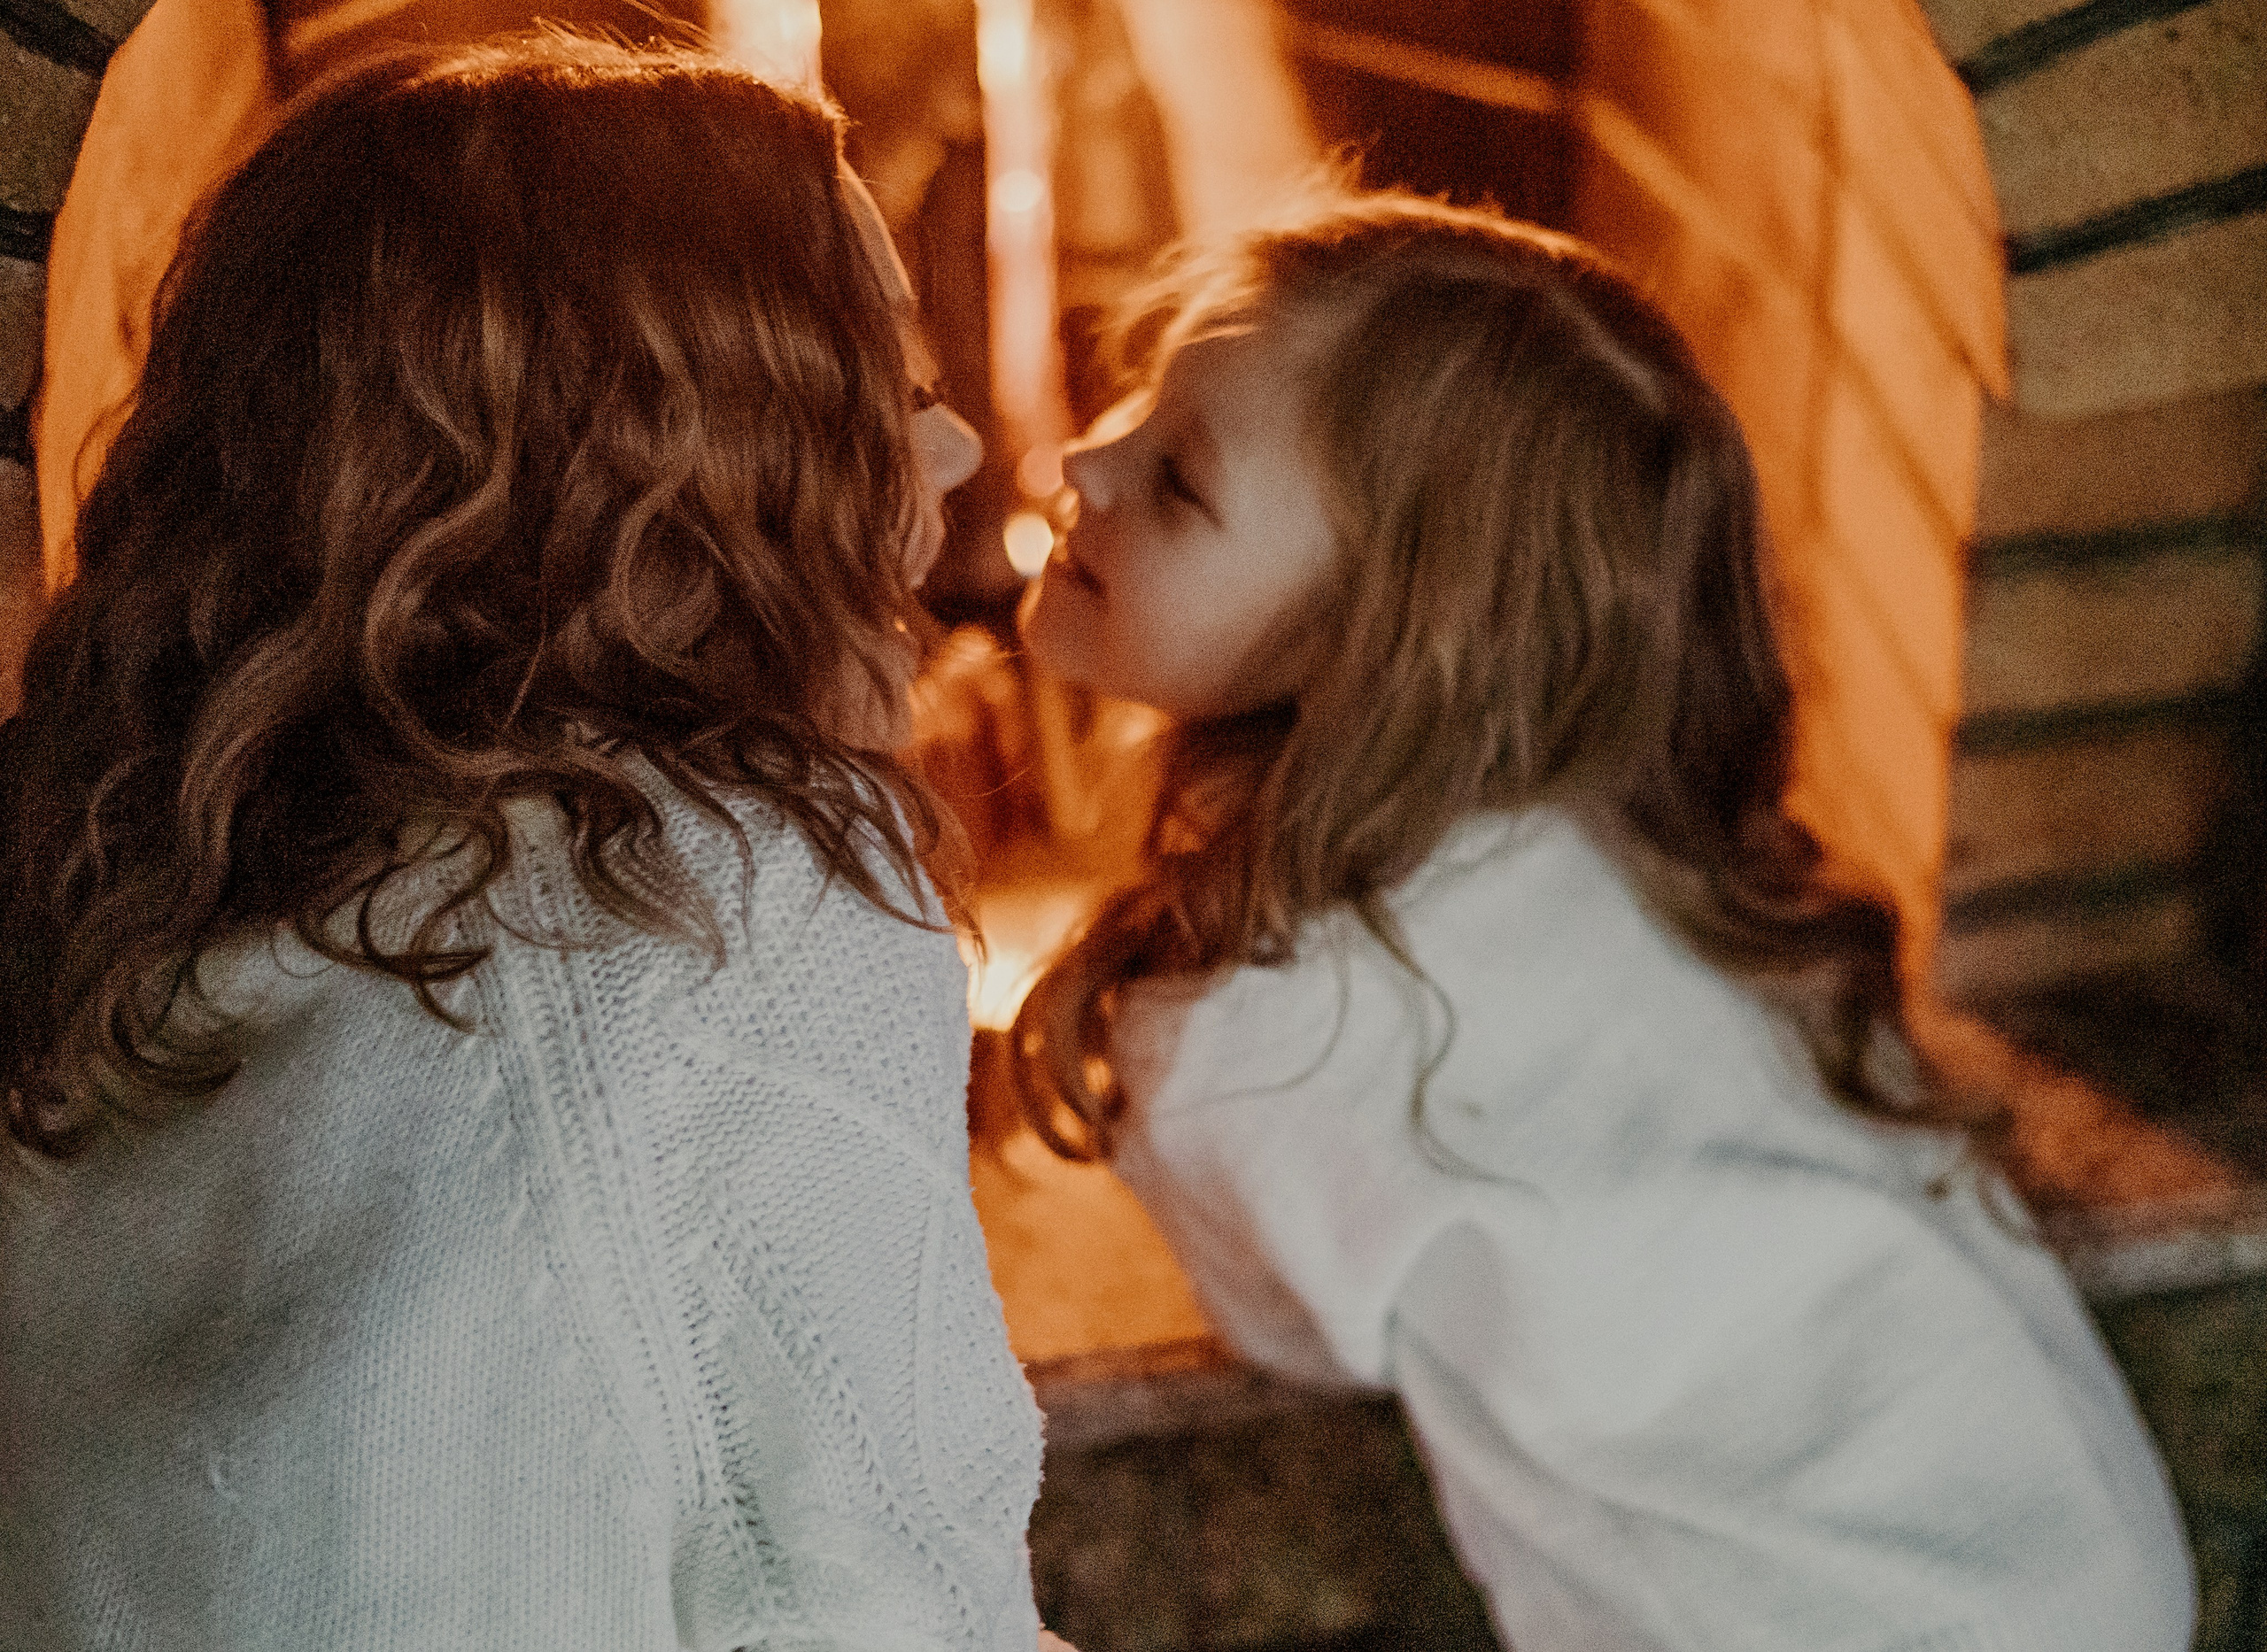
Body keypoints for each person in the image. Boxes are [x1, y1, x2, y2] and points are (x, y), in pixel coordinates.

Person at [1011, 190, 2195, 1652]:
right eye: (1143, 395)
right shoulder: (1603, 835)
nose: (1085, 452)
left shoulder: (1268, 1036)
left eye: (1178, 476)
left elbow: (1293, 1331)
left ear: (1392, 635)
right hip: (2056, 1528)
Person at [0, 38, 1051, 1651]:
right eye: (895, 392)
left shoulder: (117, 889)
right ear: (698, 476)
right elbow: (888, 1610)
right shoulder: (732, 898)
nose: (961, 454)